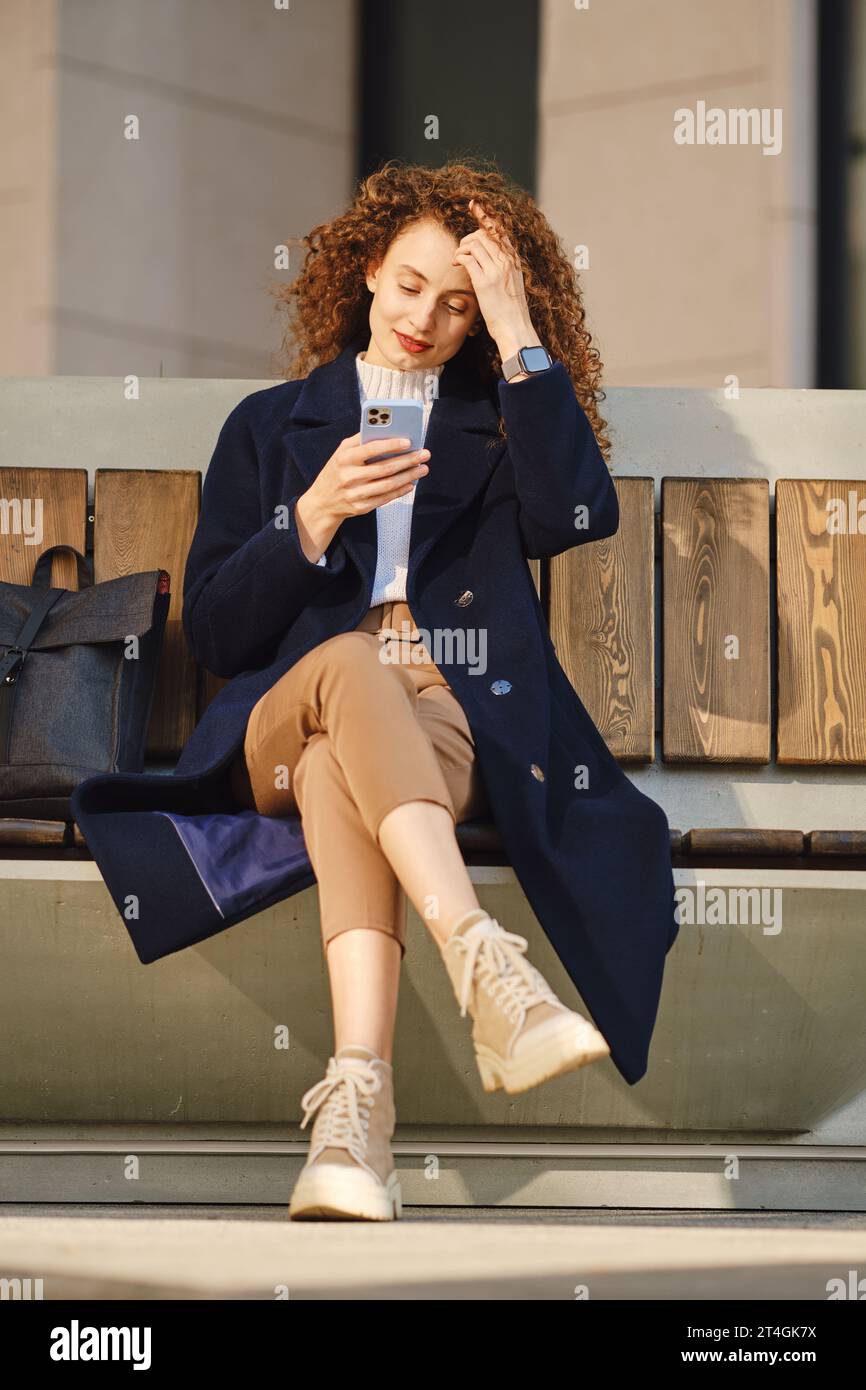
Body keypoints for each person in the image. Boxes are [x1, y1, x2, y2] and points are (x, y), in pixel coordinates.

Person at [207, 158, 633, 1222]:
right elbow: (213, 631)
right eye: (408, 287)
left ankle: (356, 1118)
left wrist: (515, 332)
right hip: (281, 712)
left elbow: (576, 518)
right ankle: (484, 962)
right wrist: (305, 520)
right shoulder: (270, 425)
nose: (424, 320)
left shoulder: (493, 428)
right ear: (362, 271)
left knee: (335, 774)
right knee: (344, 675)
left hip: (442, 711)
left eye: (456, 303)